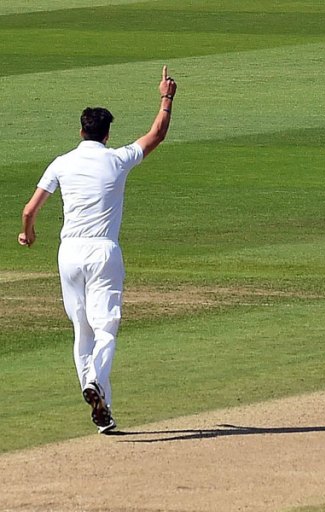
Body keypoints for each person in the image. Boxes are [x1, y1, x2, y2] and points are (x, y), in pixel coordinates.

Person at [18, 66, 177, 434]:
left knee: (82, 331)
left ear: (81, 131)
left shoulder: (62, 162)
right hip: (103, 252)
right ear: (107, 134)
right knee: (106, 329)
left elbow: (29, 210)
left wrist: (28, 234)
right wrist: (166, 97)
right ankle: (95, 382)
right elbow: (157, 134)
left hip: (68, 254)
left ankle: (101, 408)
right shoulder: (117, 158)